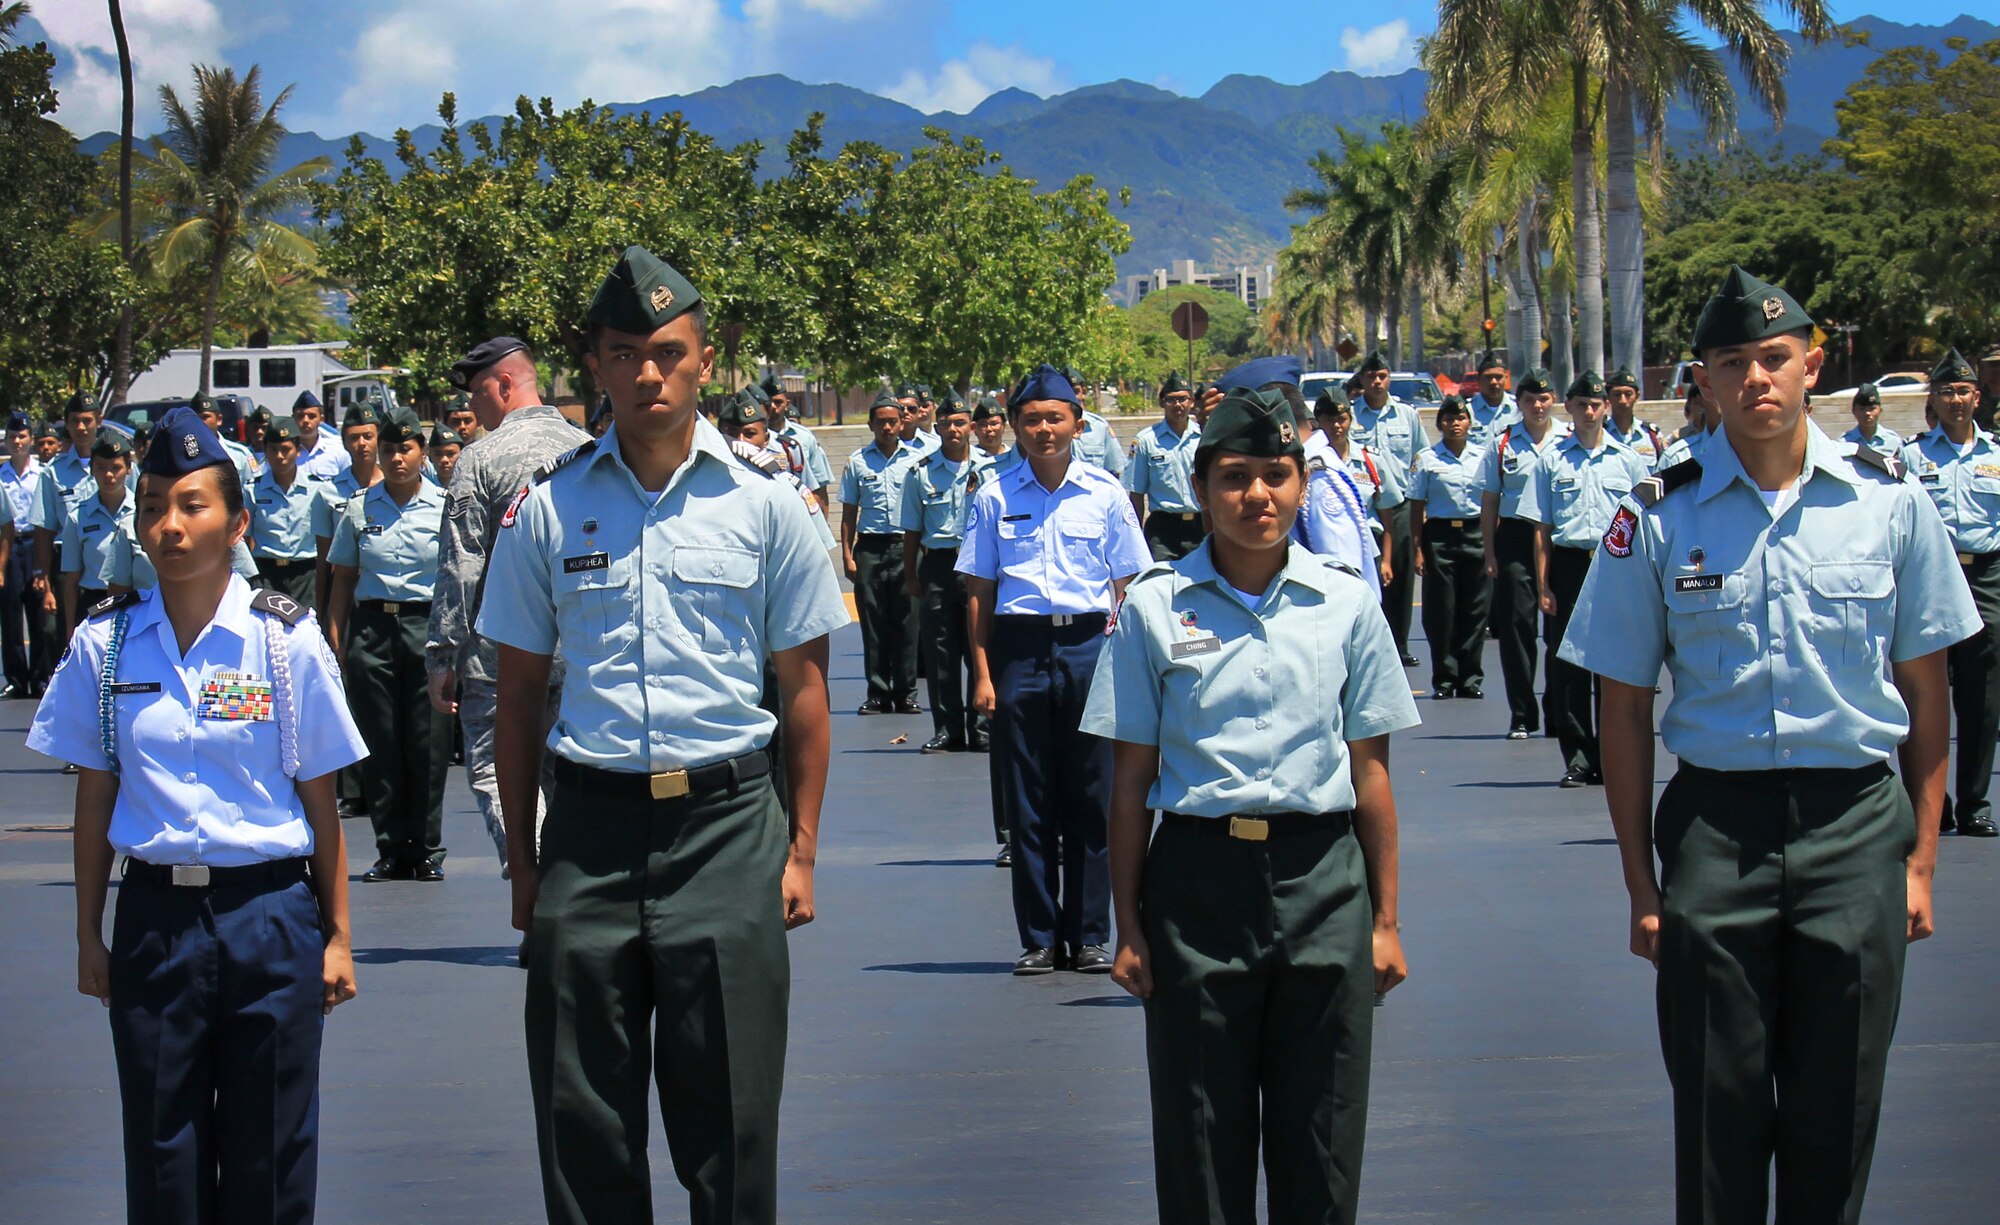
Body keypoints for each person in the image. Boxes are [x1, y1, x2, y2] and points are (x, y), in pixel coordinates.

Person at [1559, 265, 1977, 1225]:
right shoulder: (1655, 514)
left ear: (1812, 367)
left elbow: (1926, 687)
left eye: (1775, 359)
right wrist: (1640, 882)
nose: (1756, 379)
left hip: (1856, 828)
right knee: (1719, 1111)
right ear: (1701, 380)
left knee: (1840, 1111)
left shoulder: (1891, 503)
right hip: (1716, 832)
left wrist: (1920, 858)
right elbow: (1621, 710)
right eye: (1732, 361)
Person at [477, 245, 846, 1225]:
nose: (648, 372)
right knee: (582, 1128)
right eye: (624, 352)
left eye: (668, 352)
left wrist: (800, 849)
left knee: (730, 1133)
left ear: (706, 360)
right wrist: (523, 860)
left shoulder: (767, 507)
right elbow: (515, 700)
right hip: (588, 840)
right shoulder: (545, 509)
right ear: (593, 365)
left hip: (727, 833)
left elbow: (804, 690)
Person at [27, 405, 367, 1224]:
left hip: (270, 915)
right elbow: (95, 792)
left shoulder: (284, 645)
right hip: (155, 919)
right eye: (152, 507)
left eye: (191, 505)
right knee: (161, 1152)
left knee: (272, 1156)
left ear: (237, 521)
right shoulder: (104, 647)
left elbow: (321, 799)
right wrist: (88, 933)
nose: (168, 525)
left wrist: (338, 934)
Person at [1085, 386, 1417, 1225]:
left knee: (1324, 1137)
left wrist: (1386, 920)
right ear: (1199, 488)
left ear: (1302, 483)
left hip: (1324, 877)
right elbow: (1129, 782)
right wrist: (1128, 925)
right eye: (1235, 477)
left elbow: (1371, 771)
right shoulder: (1155, 608)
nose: (1257, 496)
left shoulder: (1345, 602)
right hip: (1198, 882)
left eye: (1276, 475)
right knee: (1201, 1140)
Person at [961, 363, 1149, 975]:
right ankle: (1040, 937)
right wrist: (984, 675)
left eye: (1055, 418)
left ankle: (1091, 934)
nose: (1044, 429)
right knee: (1029, 798)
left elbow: (1129, 583)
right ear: (1015, 425)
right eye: (1032, 419)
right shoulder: (992, 496)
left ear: (1078, 423)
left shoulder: (1106, 493)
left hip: (1092, 646)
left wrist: (1131, 661)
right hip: (1020, 649)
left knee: (1093, 797)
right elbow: (979, 592)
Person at [426, 335, 590, 877]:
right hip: (583, 643)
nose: (470, 409)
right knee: (570, 779)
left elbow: (461, 565)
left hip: (500, 654)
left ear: (502, 384)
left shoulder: (481, 458)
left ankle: (537, 887)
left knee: (499, 773)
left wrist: (442, 655)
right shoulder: (588, 447)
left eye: (476, 394)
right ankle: (573, 896)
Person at [326, 412, 453, 881]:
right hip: (372, 631)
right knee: (380, 741)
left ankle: (426, 849)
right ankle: (390, 847)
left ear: (422, 453)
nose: (397, 458)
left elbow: (456, 579)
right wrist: (335, 643)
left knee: (428, 743)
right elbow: (342, 580)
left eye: (406, 449)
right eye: (388, 451)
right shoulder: (359, 509)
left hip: (426, 628)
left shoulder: (444, 507)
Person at [1526, 371, 1651, 786]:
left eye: (1597, 405)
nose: (1590, 412)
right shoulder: (1551, 460)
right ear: (1570, 408)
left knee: (1613, 665)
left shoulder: (1628, 459)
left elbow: (1642, 524)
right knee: (1569, 666)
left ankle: (1613, 755)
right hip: (1569, 564)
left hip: (1615, 565)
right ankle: (1579, 757)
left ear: (1608, 407)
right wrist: (1544, 585)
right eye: (1581, 405)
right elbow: (1541, 528)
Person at [1899, 347, 2000, 838]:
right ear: (1933, 400)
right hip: (1931, 575)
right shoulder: (1912, 456)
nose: (1955, 399)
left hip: (1986, 576)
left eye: (1963, 390)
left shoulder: (1997, 455)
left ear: (1976, 397)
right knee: (1924, 690)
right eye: (1946, 391)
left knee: (1983, 697)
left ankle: (1975, 803)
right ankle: (1930, 803)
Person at [900, 393, 993, 754]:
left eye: (959, 423)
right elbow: (911, 530)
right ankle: (948, 729)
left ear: (971, 426)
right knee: (941, 652)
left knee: (980, 647)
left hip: (980, 566)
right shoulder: (920, 472)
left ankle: (982, 727)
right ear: (936, 427)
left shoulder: (992, 468)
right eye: (946, 424)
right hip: (938, 565)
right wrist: (911, 575)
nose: (953, 430)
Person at [1480, 367, 1568, 740]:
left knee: (1558, 632)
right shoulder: (1502, 442)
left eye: (1544, 398)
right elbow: (1490, 499)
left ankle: (1557, 709)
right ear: (1519, 403)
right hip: (1514, 537)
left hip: (1556, 538)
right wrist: (1490, 552)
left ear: (1554, 400)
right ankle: (1522, 712)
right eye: (1529, 399)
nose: (1537, 405)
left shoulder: (1568, 438)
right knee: (1517, 629)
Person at [841, 391, 922, 715]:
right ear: (871, 424)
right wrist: (848, 554)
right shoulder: (858, 462)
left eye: (893, 421)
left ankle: (906, 693)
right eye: (881, 422)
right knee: (873, 624)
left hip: (906, 546)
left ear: (902, 422)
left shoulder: (916, 460)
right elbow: (849, 513)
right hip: (871, 549)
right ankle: (878, 692)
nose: (887, 427)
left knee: (907, 623)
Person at [1347, 350, 1426, 666]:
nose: (1377, 382)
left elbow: (1421, 457)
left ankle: (1400, 644)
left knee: (1402, 579)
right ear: (1363, 380)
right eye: (1370, 377)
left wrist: (1422, 499)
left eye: (1382, 376)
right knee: (1367, 576)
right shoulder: (1351, 415)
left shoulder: (1407, 415)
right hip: (1363, 507)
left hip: (1401, 504)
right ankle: (1369, 645)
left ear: (1388, 378)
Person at [1409, 395, 1489, 699]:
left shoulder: (1483, 457)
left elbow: (1492, 501)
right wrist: (1418, 548)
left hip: (1475, 532)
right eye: (1448, 419)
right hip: (1440, 535)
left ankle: (1470, 678)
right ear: (1440, 423)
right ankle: (1444, 678)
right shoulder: (1426, 458)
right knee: (1440, 611)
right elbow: (1417, 506)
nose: (1454, 424)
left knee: (1474, 610)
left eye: (1460, 418)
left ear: (1469, 422)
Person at [1300, 388, 1387, 595]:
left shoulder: (1368, 459)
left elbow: (1388, 512)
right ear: (1317, 421)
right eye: (1329, 419)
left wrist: (1387, 559)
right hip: (1322, 550)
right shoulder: (1307, 462)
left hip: (1367, 549)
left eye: (1342, 419)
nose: (1337, 426)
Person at [56, 430, 135, 636]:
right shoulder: (78, 517)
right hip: (94, 603)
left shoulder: (144, 512)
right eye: (101, 468)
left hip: (138, 602)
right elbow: (72, 581)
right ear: (91, 470)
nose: (109, 474)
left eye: (116, 468)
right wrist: (70, 632)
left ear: (129, 469)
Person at [310, 402, 384, 616]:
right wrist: (321, 609)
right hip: (342, 585)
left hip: (379, 585)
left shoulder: (393, 487)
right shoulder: (328, 491)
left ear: (379, 438)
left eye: (368, 436)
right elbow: (323, 558)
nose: (362, 444)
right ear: (344, 443)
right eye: (354, 438)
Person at [1125, 373, 1204, 561]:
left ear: (1191, 402)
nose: (1178, 405)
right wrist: (1134, 536)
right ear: (1162, 403)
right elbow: (1136, 493)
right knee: (1162, 585)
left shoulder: (1204, 437)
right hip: (1162, 531)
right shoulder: (1146, 441)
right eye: (1171, 400)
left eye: (1183, 399)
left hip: (1201, 526)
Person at [247, 416, 324, 606]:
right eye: (273, 450)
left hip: (305, 575)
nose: (280, 456)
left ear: (298, 451)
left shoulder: (317, 489)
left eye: (286, 449)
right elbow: (244, 539)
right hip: (267, 573)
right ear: (265, 451)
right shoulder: (252, 491)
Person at [3, 412, 50, 697]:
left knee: (38, 613)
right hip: (9, 545)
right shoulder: (0, 475)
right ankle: (16, 679)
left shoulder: (42, 474)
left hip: (36, 544)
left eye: (22, 437)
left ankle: (41, 676)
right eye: (12, 437)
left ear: (30, 440)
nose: (17, 442)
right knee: (9, 613)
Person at [763, 374, 833, 511]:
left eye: (778, 402)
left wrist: (820, 526)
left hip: (801, 512)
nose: (772, 407)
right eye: (767, 402)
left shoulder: (804, 437)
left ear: (787, 404)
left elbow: (819, 488)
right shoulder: (752, 438)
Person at [1604, 367, 1663, 469]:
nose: (1622, 400)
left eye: (1628, 394)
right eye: (1617, 394)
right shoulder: (1600, 433)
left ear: (1637, 396)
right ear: (1608, 398)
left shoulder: (1651, 435)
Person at [194, 393, 258, 485]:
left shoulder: (240, 454)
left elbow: (254, 489)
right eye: (195, 417)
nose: (200, 422)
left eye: (205, 417)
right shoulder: (182, 454)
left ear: (219, 419)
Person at [290, 391, 351, 480]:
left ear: (321, 419)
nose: (306, 421)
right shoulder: (286, 454)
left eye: (311, 416)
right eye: (300, 416)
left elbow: (348, 484)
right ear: (293, 419)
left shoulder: (338, 452)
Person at [1464, 350, 1517, 446]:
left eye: (1498, 377)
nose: (1493, 382)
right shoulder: (1467, 410)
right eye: (1488, 377)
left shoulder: (1518, 409)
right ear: (1479, 380)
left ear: (1506, 378)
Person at [1845, 383, 1904, 455]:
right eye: (1862, 409)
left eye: (1872, 408)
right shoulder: (1845, 443)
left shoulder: (1893, 441)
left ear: (1880, 410)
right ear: (1854, 411)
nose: (1867, 413)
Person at [973, 395, 1009, 462]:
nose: (989, 429)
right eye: (983, 424)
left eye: (994, 424)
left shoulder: (1014, 457)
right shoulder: (968, 459)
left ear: (1004, 426)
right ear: (974, 429)